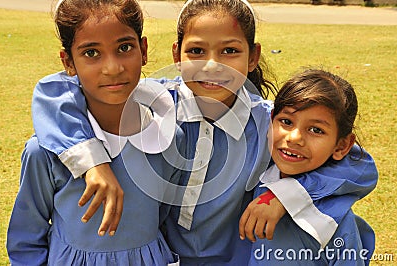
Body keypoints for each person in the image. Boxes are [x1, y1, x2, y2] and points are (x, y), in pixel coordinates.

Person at [29, 0, 377, 264]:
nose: (212, 65)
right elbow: (55, 93)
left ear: (253, 57)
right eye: (196, 51)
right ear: (176, 54)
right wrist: (92, 161)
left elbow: (356, 165)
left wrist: (284, 194)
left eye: (230, 51)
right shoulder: (154, 106)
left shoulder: (268, 123)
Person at [6, 0, 183, 264]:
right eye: (91, 53)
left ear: (143, 50)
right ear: (68, 62)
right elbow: (26, 239)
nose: (112, 68)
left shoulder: (169, 138)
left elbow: (167, 221)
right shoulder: (44, 153)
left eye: (124, 48)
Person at [244, 69, 376, 265]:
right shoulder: (255, 174)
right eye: (286, 122)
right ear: (271, 121)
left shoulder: (333, 220)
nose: (294, 138)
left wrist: (286, 196)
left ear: (342, 146)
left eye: (316, 130)